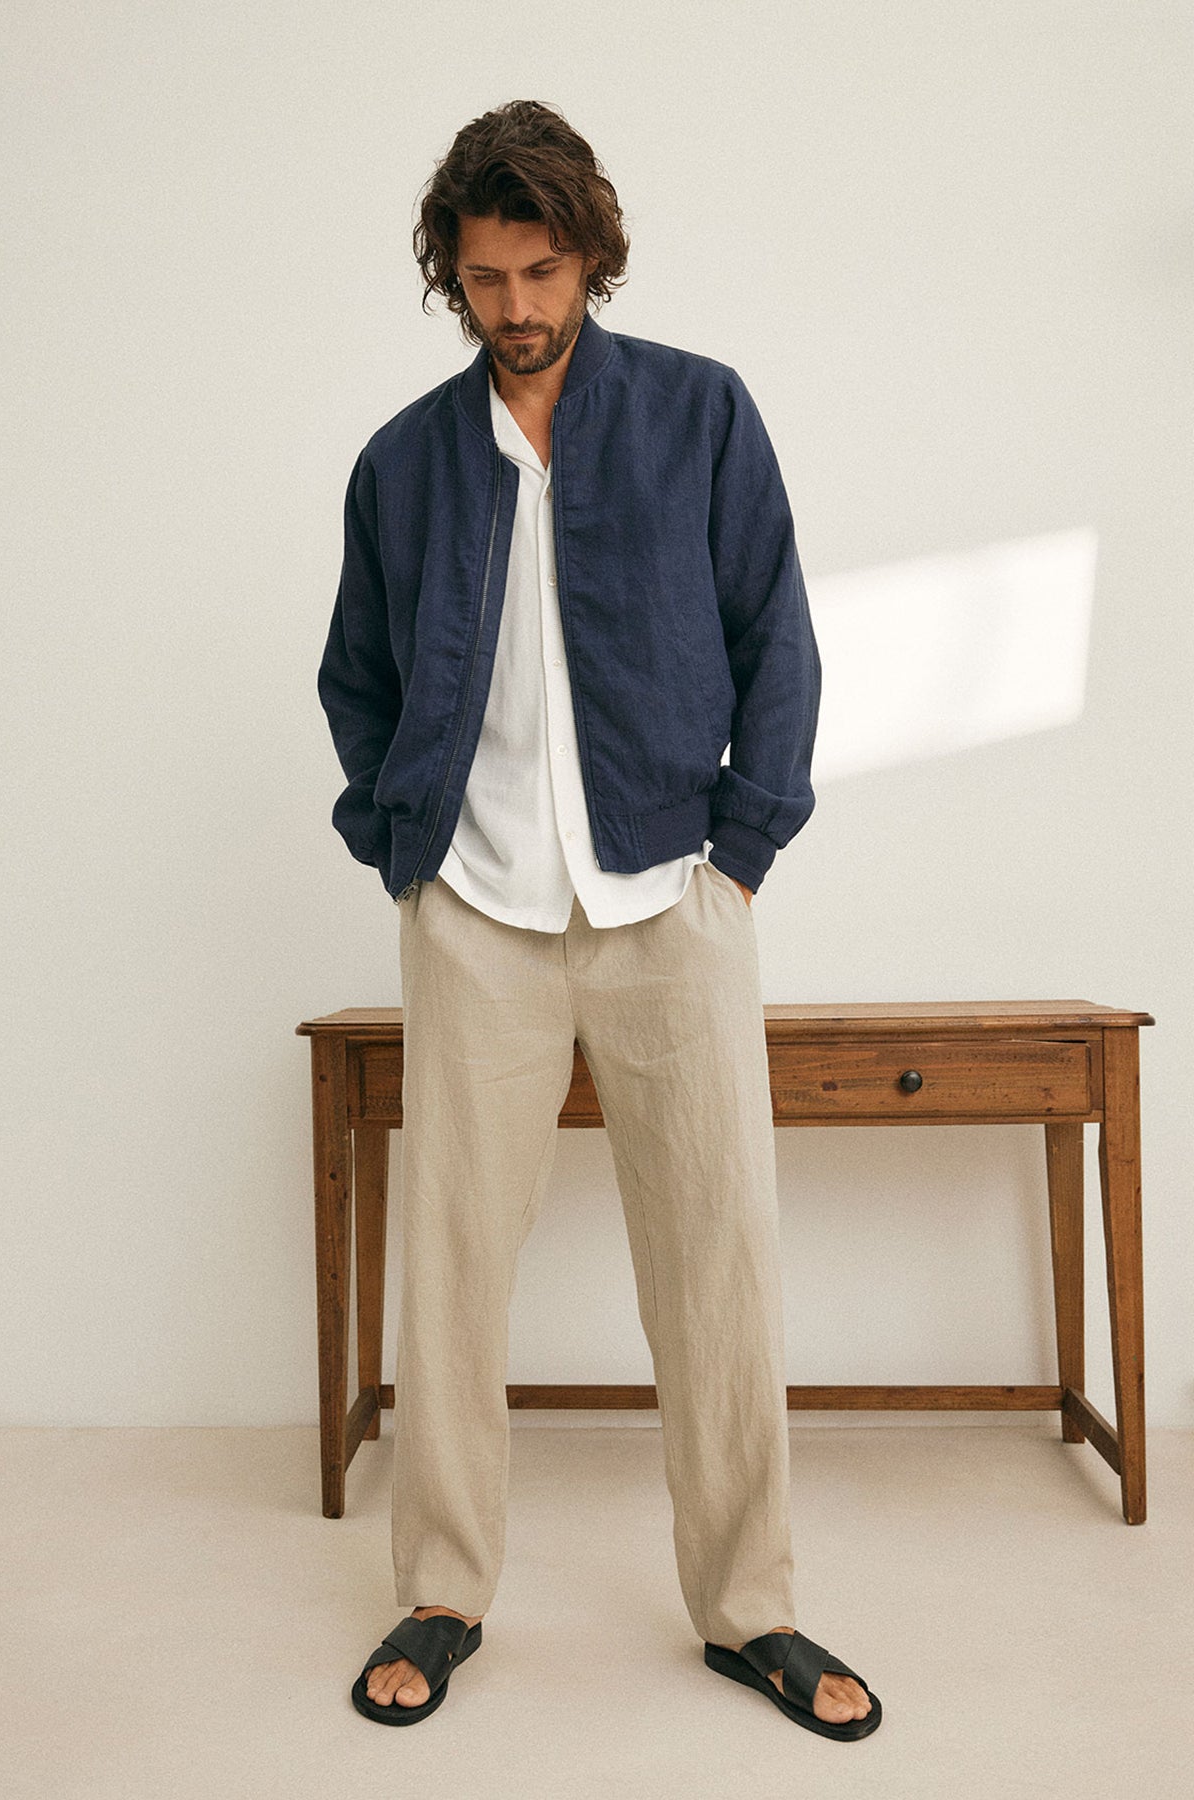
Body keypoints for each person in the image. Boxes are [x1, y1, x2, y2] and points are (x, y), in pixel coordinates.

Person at [317, 99, 880, 1741]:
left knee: (719, 1262)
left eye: (543, 272)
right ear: (453, 274)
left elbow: (779, 640)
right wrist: (404, 850)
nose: (516, 308)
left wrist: (743, 851)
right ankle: (443, 1589)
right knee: (453, 1271)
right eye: (487, 278)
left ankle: (750, 1609)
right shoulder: (404, 464)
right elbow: (357, 678)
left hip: (668, 894)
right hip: (476, 909)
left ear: (590, 257)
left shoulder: (700, 415)